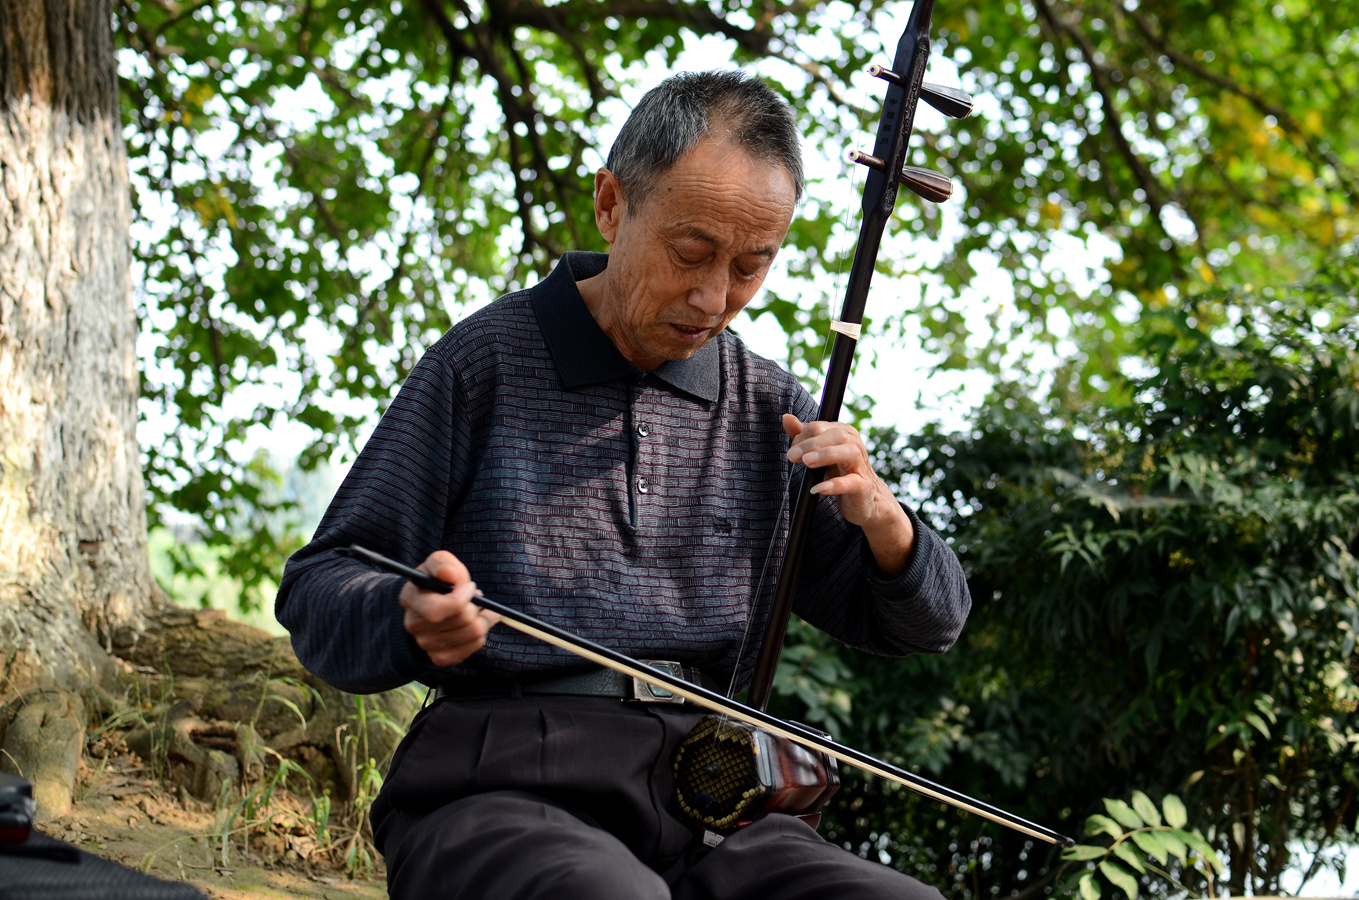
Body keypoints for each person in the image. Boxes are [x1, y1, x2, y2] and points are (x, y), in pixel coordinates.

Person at [277, 70, 971, 900]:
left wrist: (887, 529)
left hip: (713, 797)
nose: (714, 297)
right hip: (499, 783)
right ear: (611, 204)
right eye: (691, 254)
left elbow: (926, 625)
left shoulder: (776, 411)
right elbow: (321, 584)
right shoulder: (485, 363)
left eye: (752, 266)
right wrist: (407, 615)